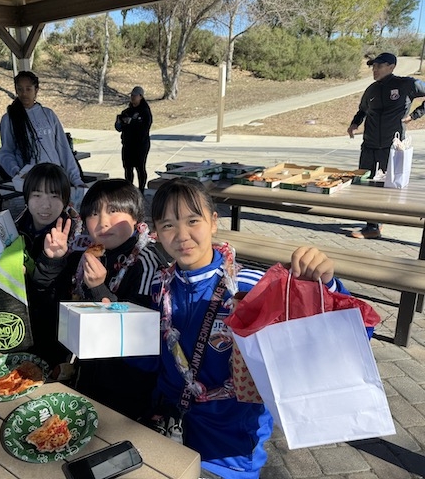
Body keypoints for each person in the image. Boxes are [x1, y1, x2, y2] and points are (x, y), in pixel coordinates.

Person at [142, 177, 349, 478]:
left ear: (214, 222)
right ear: (157, 233)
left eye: (193, 220)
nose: (182, 235)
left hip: (229, 449)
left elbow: (337, 337)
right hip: (167, 429)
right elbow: (150, 360)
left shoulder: (249, 287)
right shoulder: (160, 287)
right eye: (168, 225)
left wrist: (324, 287)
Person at [36, 178, 168, 419]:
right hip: (88, 371)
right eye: (94, 213)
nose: (103, 222)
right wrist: (54, 260)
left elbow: (137, 336)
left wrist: (99, 289)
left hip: (125, 388)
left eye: (114, 211)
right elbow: (53, 299)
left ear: (136, 217)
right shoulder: (87, 252)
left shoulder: (146, 263)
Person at [0, 163, 78, 367]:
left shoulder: (75, 241)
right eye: (37, 195)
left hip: (46, 343)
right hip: (4, 336)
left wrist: (52, 261)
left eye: (54, 196)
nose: (45, 205)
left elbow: (53, 300)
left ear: (65, 200)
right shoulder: (7, 231)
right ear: (26, 197)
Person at [347, 52, 425, 239]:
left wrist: (414, 115)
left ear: (391, 67)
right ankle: (374, 223)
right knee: (364, 183)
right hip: (369, 145)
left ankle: (373, 227)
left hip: (391, 147)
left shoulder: (407, 84)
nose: (375, 70)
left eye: (379, 66)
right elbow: (362, 111)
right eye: (373, 66)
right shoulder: (371, 90)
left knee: (383, 186)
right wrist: (354, 124)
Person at [0, 70, 84, 187]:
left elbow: (63, 148)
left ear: (36, 90)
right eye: (20, 89)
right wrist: (17, 172)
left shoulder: (48, 115)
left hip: (54, 176)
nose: (24, 93)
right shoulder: (9, 119)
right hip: (31, 180)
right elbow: (6, 151)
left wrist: (76, 179)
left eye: (28, 89)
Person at [115, 86, 152, 193]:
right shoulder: (127, 111)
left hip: (141, 144)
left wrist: (131, 122)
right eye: (131, 95)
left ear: (141, 96)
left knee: (140, 167)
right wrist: (119, 122)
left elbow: (145, 127)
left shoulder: (145, 111)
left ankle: (141, 190)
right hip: (127, 144)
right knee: (128, 168)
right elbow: (119, 128)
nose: (132, 97)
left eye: (135, 95)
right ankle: (129, 190)